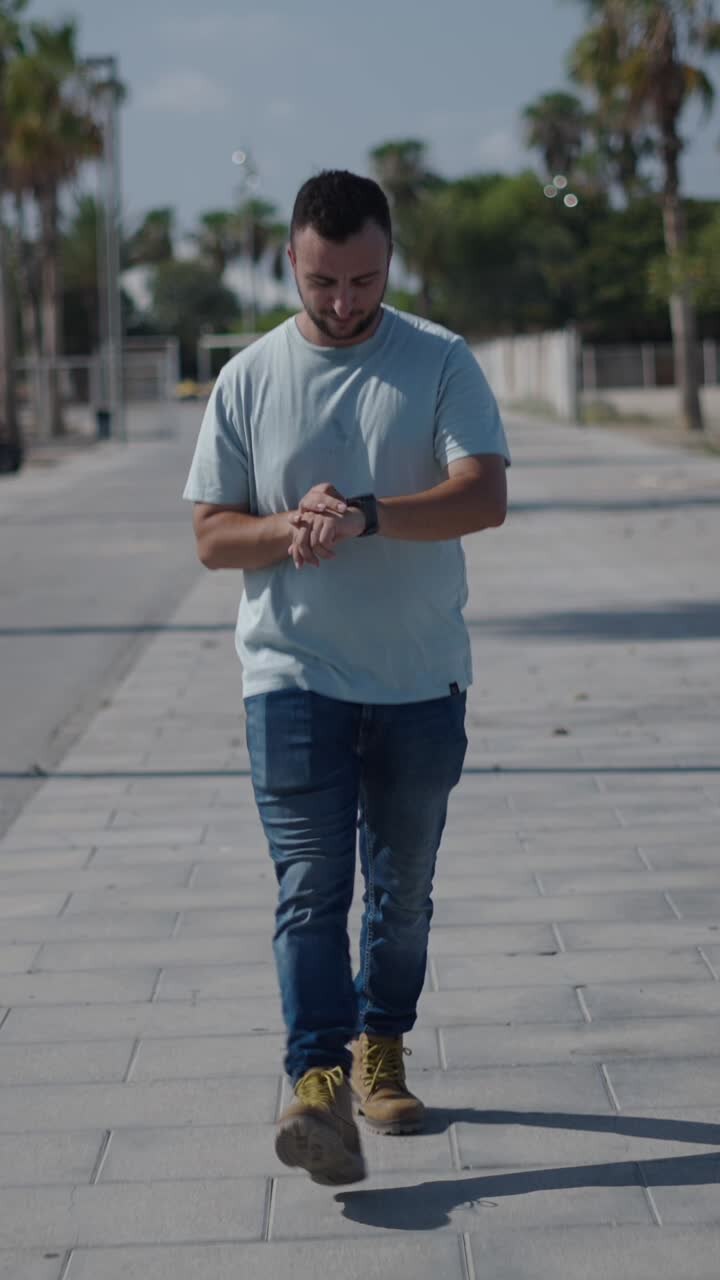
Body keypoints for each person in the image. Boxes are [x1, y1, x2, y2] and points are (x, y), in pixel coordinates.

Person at [183, 169, 510, 1187]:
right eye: (324, 280)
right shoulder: (248, 377)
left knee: (402, 894)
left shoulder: (440, 360)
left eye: (363, 279)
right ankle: (314, 1077)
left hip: (419, 680)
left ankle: (382, 1042)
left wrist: (366, 512)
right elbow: (210, 536)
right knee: (310, 886)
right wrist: (293, 527)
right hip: (290, 676)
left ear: (388, 260)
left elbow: (482, 495)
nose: (343, 300)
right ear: (292, 259)